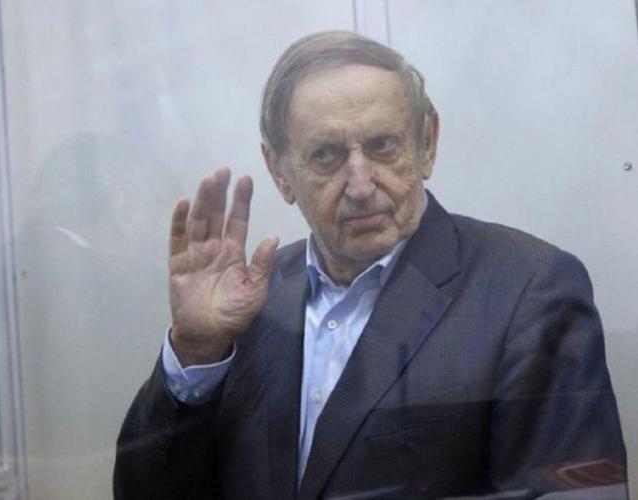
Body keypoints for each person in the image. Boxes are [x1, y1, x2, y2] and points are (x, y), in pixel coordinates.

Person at [114, 31, 627, 499]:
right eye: (326, 155)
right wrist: (197, 351)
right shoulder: (249, 302)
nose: (361, 185)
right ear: (280, 170)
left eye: (382, 146)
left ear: (427, 142)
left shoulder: (528, 289)